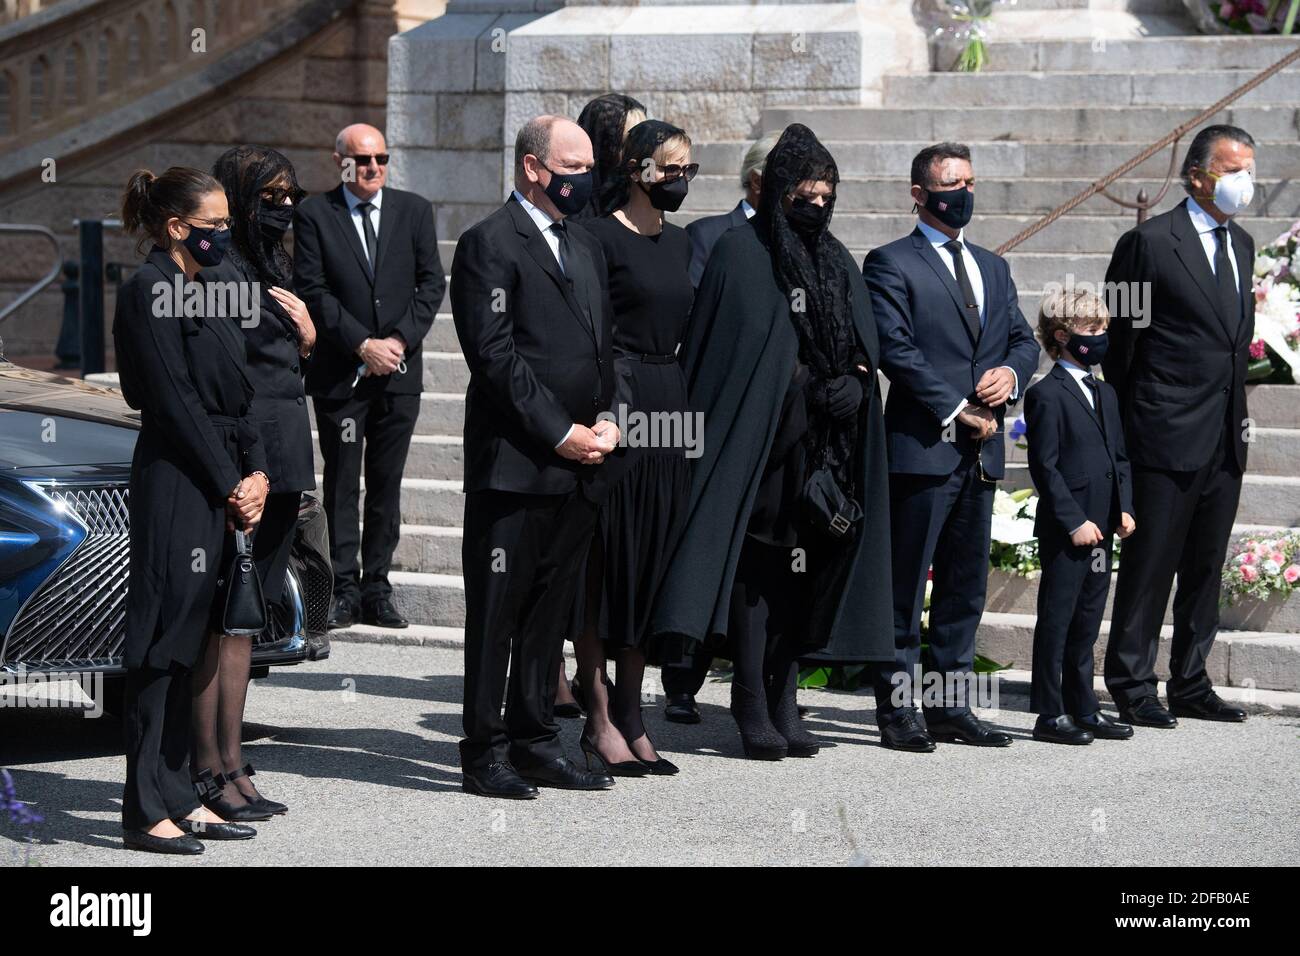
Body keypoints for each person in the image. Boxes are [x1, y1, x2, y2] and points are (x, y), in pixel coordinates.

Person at [650, 123, 893, 760]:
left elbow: (861, 342)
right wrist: (801, 385)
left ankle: (785, 693)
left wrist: (857, 383)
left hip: (825, 451)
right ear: (778, 191)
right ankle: (749, 700)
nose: (815, 207)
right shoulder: (739, 250)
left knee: (803, 574)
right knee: (758, 575)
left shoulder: (836, 258)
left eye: (826, 197)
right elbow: (731, 353)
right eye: (803, 196)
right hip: (761, 448)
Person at [450, 115, 622, 798]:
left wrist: (607, 420)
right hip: (515, 465)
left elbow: (604, 346)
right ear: (532, 167)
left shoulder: (584, 243)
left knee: (551, 614)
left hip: (582, 463)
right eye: (573, 166)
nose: (586, 178)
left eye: (589, 167)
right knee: (497, 614)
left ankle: (535, 741)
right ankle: (483, 751)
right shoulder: (488, 243)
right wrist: (559, 431)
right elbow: (493, 355)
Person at [864, 141, 1039, 752]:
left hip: (983, 453)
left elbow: (1022, 338)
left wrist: (1012, 375)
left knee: (964, 586)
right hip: (923, 449)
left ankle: (950, 705)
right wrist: (957, 407)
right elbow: (896, 349)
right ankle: (896, 709)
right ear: (919, 194)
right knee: (907, 586)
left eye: (968, 182)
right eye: (948, 184)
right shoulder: (890, 262)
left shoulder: (994, 266)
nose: (961, 194)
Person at [114, 166, 268, 853]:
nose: (225, 238)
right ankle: (145, 804)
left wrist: (256, 470)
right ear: (176, 228)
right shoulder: (149, 288)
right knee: (162, 640)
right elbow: (172, 402)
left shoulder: (207, 287)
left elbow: (241, 389)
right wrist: (230, 481)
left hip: (222, 477)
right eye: (214, 227)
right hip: (179, 479)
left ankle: (182, 791)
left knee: (199, 635)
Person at [1101, 124, 1256, 727]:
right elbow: (1120, 344)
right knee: (1151, 564)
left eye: (1249, 169)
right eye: (1232, 169)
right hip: (1163, 432)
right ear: (1197, 176)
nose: (1244, 182)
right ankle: (1132, 682)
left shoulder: (1241, 243)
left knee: (1204, 565)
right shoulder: (1149, 242)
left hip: (1223, 432)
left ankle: (1191, 680)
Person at [189, 145, 316, 820]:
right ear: (241, 201)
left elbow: (287, 364)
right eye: (270, 198)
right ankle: (210, 767)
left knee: (247, 620)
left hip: (289, 455)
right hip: (249, 459)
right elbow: (226, 371)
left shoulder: (275, 264)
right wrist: (249, 469)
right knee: (224, 620)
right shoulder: (222, 269)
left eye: (291, 196)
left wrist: (310, 336)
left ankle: (232, 761)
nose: (286, 209)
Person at [568, 120, 696, 776]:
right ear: (639, 168)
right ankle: (596, 716)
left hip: (671, 402)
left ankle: (634, 713)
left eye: (688, 170)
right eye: (669, 169)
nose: (680, 181)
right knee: (604, 564)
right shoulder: (594, 236)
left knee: (649, 562)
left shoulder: (681, 245)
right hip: (616, 399)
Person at [293, 123, 445, 630]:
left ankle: (378, 589)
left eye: (380, 157)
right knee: (341, 482)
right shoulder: (315, 214)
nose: (372, 167)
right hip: (342, 373)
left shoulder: (414, 210)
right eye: (361, 159)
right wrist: (362, 343)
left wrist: (397, 342)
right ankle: (342, 587)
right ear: (338, 161)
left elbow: (431, 284)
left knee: (387, 483)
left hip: (398, 374)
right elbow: (313, 290)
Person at [663, 129, 780, 724]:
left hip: (772, 425)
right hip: (710, 413)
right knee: (704, 545)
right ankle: (682, 679)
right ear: (758, 180)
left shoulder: (798, 243)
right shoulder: (707, 237)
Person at [1024, 288, 1135, 745]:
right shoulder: (1046, 394)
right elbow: (1044, 467)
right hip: (1069, 529)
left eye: (1104, 329)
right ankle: (1049, 713)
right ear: (1063, 335)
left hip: (1102, 527)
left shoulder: (1105, 391)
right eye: (1094, 331)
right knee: (1057, 619)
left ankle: (1083, 706)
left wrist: (1124, 507)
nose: (1102, 337)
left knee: (1088, 621)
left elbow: (1119, 457)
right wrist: (1073, 520)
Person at [572, 93, 647, 221]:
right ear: (606, 143)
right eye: (626, 143)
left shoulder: (640, 195)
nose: (637, 152)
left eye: (641, 142)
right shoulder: (568, 198)